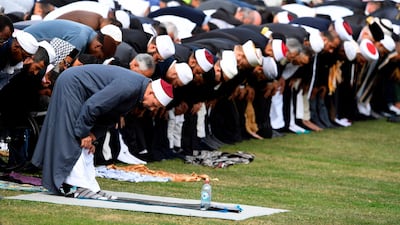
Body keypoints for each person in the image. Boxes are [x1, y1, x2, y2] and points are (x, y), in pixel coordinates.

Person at [31, 64, 174, 199]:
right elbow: (93, 106)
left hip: (81, 91)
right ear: (151, 92)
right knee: (74, 137)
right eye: (155, 105)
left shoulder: (136, 91)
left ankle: (90, 186)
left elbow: (111, 115)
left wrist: (92, 136)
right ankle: (75, 186)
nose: (153, 109)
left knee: (87, 145)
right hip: (71, 84)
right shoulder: (129, 87)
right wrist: (84, 133)